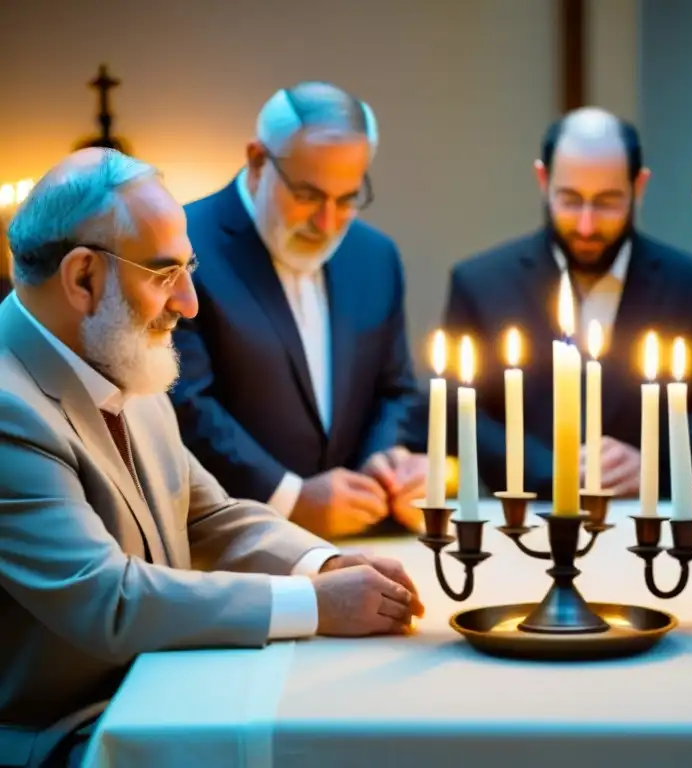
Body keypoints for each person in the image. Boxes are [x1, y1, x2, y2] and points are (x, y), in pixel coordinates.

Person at [0, 148, 424, 762]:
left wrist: (320, 565)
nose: (190, 303)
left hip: (160, 687)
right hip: (68, 736)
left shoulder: (119, 356)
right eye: (165, 274)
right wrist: (313, 605)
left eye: (189, 269)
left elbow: (207, 516)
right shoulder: (9, 409)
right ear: (83, 278)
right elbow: (107, 601)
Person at [422, 107, 692, 499]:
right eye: (570, 200)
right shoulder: (479, 282)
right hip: (524, 516)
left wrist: (652, 461)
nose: (586, 225)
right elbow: (457, 408)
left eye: (607, 202)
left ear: (639, 186)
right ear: (543, 180)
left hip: (647, 517)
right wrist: (550, 471)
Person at [170, 82, 425, 540]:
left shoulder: (376, 256)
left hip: (363, 539)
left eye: (347, 198)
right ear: (256, 160)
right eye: (308, 194)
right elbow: (182, 402)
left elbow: (396, 389)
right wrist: (288, 497)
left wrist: (382, 461)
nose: (328, 222)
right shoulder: (183, 245)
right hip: (229, 545)